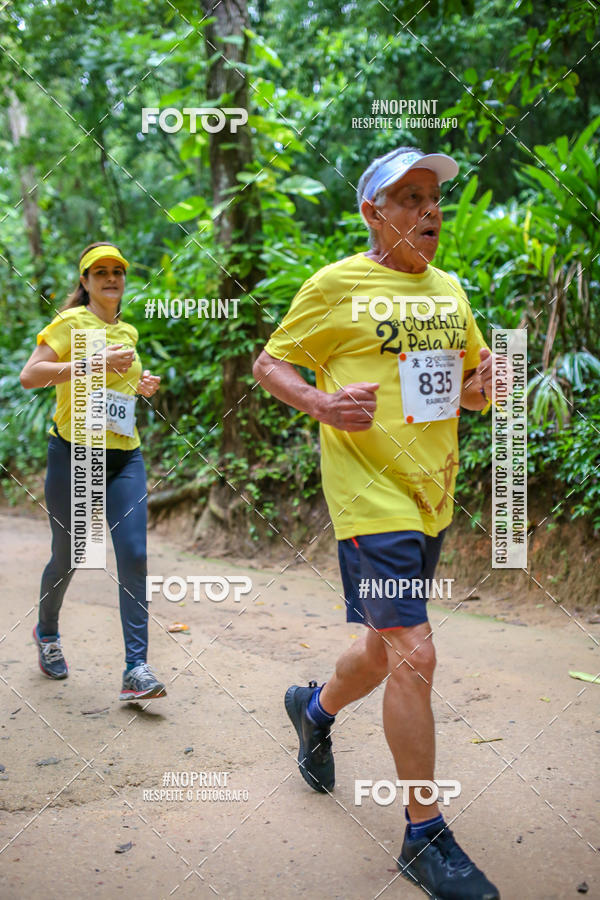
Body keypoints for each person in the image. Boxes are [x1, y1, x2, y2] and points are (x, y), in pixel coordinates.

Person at [253, 147, 500, 899]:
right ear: (373, 212)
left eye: (434, 198)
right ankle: (425, 836)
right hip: (368, 497)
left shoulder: (449, 290)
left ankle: (313, 709)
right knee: (415, 654)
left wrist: (488, 386)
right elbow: (271, 364)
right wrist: (320, 403)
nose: (430, 211)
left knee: (382, 650)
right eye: (411, 197)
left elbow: (468, 393)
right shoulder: (336, 286)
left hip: (431, 495)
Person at [20, 241, 166, 702]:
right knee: (69, 555)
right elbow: (31, 376)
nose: (110, 278)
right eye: (99, 272)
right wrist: (91, 363)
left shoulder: (128, 331)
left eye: (116, 271)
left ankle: (136, 669)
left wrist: (139, 385)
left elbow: (114, 390)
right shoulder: (70, 323)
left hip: (125, 456)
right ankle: (47, 633)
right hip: (75, 455)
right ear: (84, 282)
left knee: (134, 554)